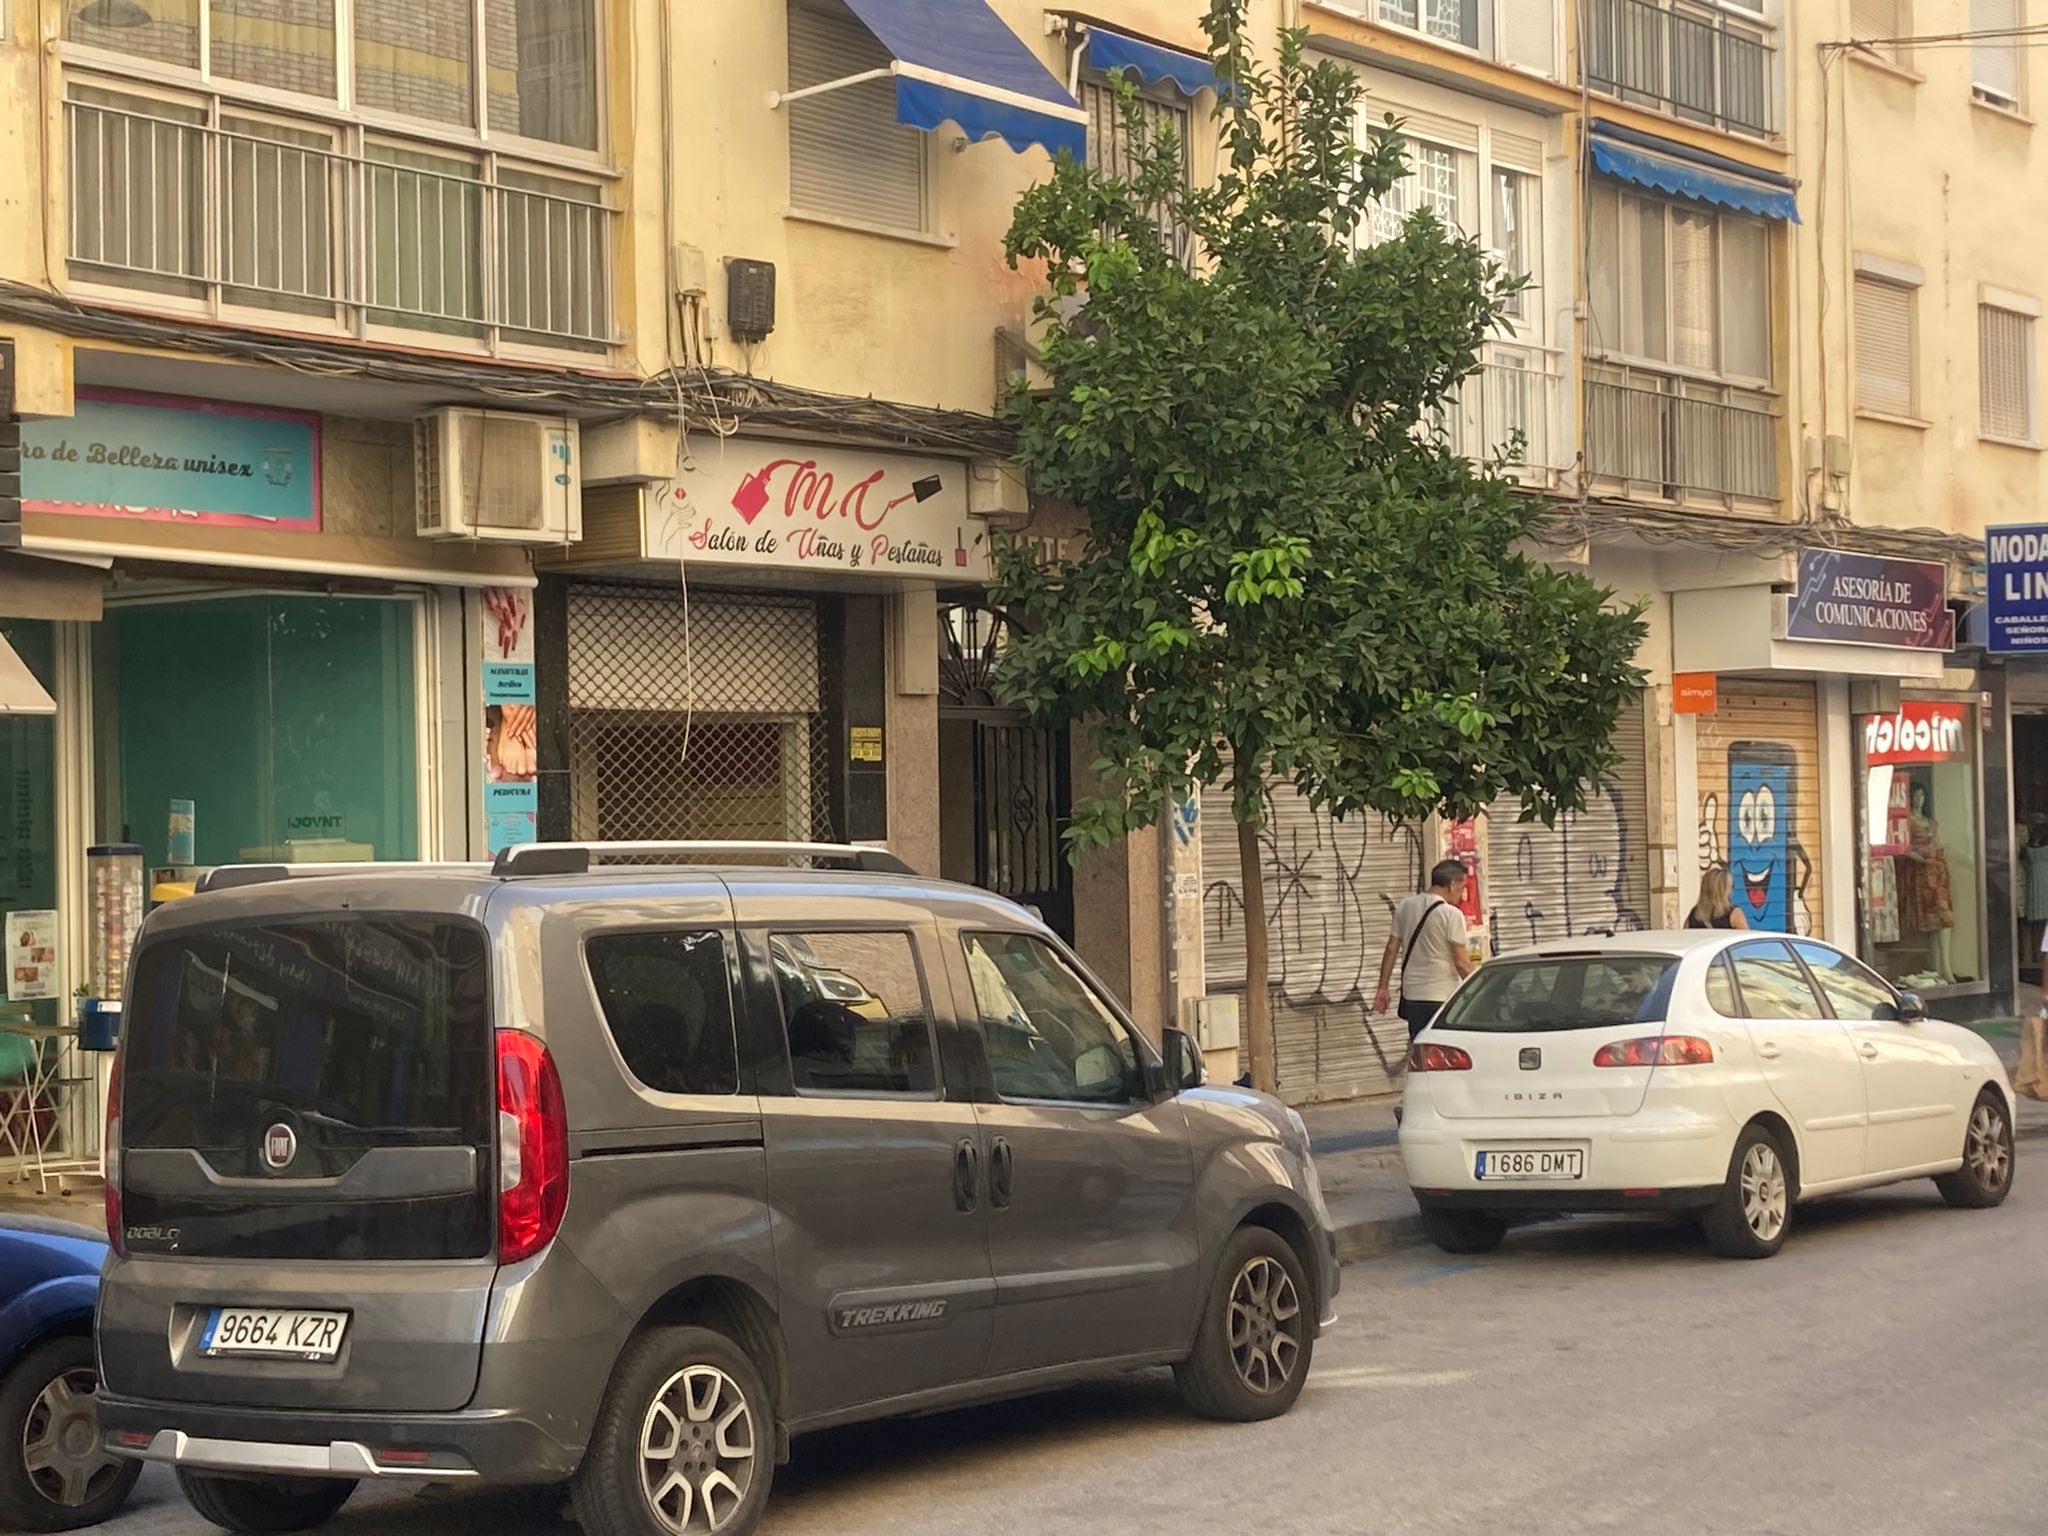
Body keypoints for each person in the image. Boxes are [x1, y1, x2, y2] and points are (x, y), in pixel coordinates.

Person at [1374, 861, 1476, 1040]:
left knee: (1420, 1051)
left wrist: (1383, 988)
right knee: (1443, 1054)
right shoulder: (1451, 914)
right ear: (1452, 885)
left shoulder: (1405, 906)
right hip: (1441, 997)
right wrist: (1480, 988)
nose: (1463, 894)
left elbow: (1391, 948)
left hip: (1412, 997)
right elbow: (1462, 963)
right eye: (1462, 887)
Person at [1685, 866, 1750, 930]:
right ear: (1725, 890)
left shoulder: (1694, 914)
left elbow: (1686, 936)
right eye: (1731, 886)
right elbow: (1746, 938)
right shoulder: (1734, 914)